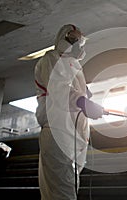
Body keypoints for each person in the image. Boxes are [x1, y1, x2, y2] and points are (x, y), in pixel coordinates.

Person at [34, 24, 104, 200]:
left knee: (68, 190)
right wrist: (82, 101)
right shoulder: (51, 59)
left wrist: (85, 96)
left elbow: (76, 93)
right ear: (61, 39)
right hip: (58, 132)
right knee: (63, 193)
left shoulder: (74, 66)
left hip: (73, 136)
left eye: (79, 40)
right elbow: (59, 90)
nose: (77, 44)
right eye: (72, 39)